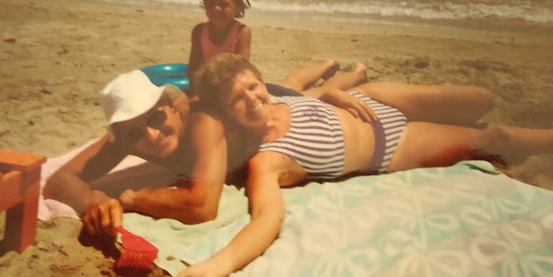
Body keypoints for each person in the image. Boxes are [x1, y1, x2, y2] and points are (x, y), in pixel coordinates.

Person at [177, 53, 553, 276]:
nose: (252, 99)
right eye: (236, 99)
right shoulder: (268, 159)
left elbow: (305, 94)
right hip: (393, 145)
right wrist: (215, 266)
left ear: (261, 81)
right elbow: (267, 219)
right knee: (496, 138)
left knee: (481, 100)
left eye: (252, 86)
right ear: (227, 113)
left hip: (370, 99)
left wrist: (332, 92)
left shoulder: (279, 98)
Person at [43, 69, 373, 237]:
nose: (152, 134)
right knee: (294, 84)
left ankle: (353, 73)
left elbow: (201, 206)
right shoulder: (129, 131)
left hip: (270, 106)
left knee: (299, 91)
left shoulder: (204, 121)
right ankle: (335, 68)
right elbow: (60, 179)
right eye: (135, 133)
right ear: (124, 138)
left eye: (156, 118)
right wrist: (92, 201)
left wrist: (128, 199)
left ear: (170, 106)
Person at [188, 0, 366, 97]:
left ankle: (358, 73)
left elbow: (240, 71)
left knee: (312, 94)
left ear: (238, 6)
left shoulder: (242, 32)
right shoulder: (199, 32)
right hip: (215, 89)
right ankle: (328, 65)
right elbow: (194, 68)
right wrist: (196, 92)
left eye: (224, 4)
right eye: (211, 4)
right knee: (290, 83)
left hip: (241, 89)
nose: (216, 8)